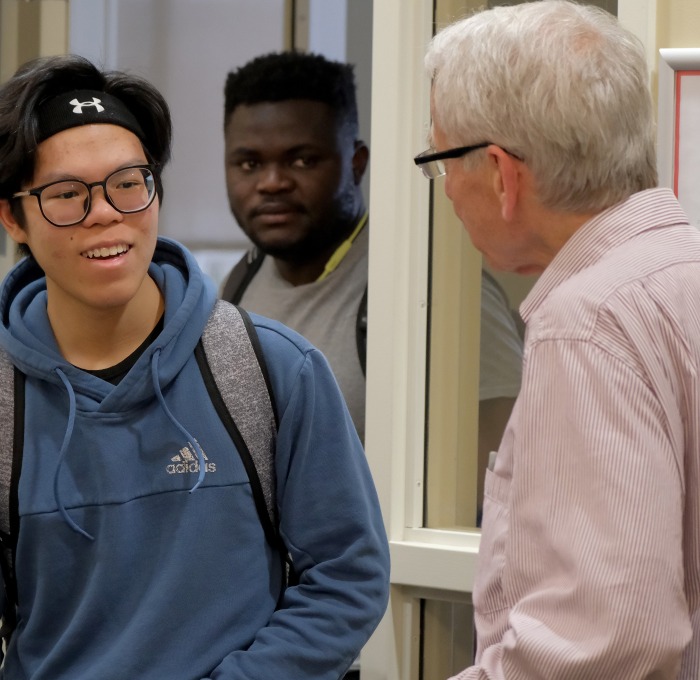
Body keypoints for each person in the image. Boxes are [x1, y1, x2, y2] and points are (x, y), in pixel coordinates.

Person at [0, 53, 390, 680]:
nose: (106, 212)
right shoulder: (5, 401)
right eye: (66, 194)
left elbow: (348, 575)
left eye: (129, 182)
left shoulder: (272, 369)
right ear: (12, 215)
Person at [416, 1, 700, 678]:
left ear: (502, 174)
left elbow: (603, 643)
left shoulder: (589, 324)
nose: (448, 193)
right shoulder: (680, 271)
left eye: (441, 161)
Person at [221, 51, 523, 459]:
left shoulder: (429, 293)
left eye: (303, 160)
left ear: (357, 163)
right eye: (249, 163)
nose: (272, 182)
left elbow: (502, 470)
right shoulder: (238, 287)